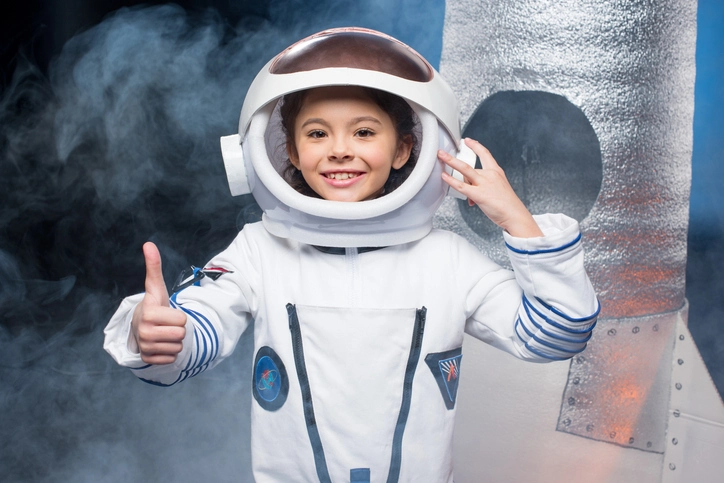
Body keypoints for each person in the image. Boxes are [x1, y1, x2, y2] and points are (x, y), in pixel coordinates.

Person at [104, 28, 598, 483]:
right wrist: (154, 335)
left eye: (364, 132)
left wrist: (516, 218)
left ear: (407, 149)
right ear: (289, 154)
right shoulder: (261, 250)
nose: (340, 150)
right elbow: (191, 340)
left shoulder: (449, 260)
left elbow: (558, 334)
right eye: (317, 134)